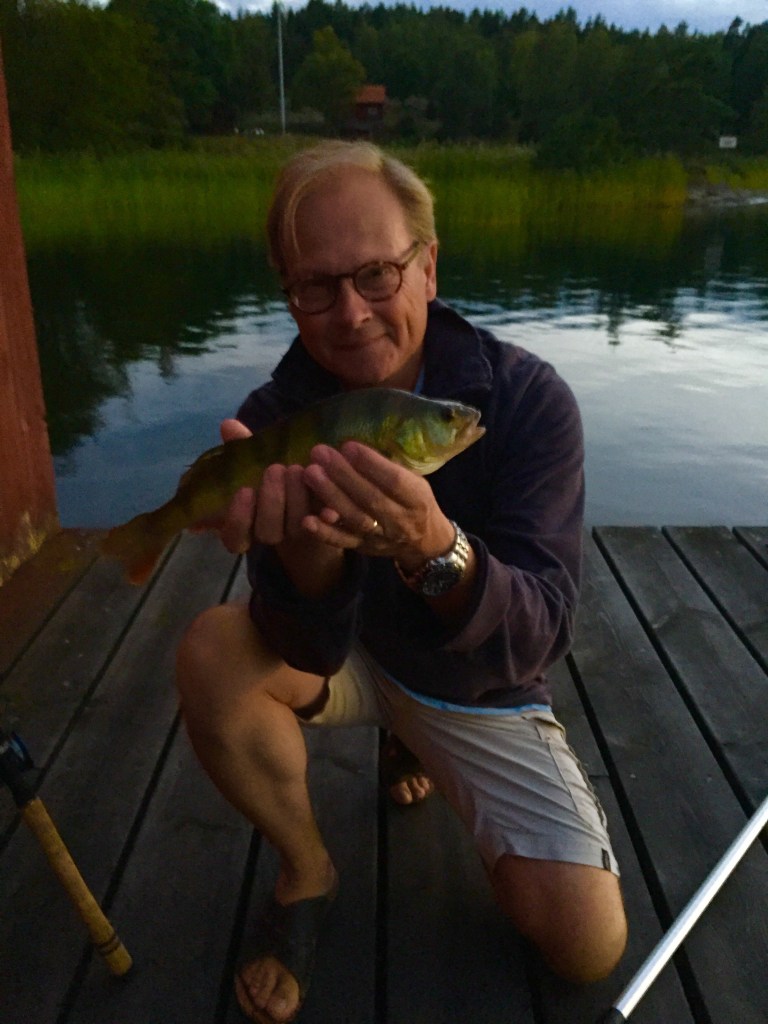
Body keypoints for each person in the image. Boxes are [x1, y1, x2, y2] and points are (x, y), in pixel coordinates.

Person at [175, 139, 627, 1024]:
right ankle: (307, 871)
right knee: (211, 651)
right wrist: (307, 556)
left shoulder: (526, 402)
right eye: (315, 286)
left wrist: (433, 545)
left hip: (476, 684)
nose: (350, 314)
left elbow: (539, 635)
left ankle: (414, 741)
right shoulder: (276, 421)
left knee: (587, 943)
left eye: (376, 274)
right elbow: (303, 647)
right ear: (289, 294)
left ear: (427, 266)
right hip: (347, 658)